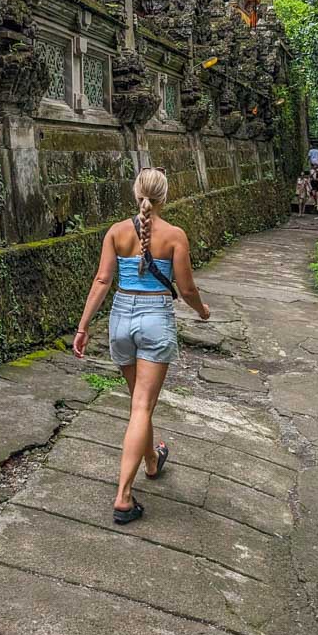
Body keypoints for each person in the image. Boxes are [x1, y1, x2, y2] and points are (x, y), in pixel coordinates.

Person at [72, 167, 211, 525]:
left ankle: (152, 460)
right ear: (165, 197)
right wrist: (203, 311)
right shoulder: (175, 235)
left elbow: (103, 280)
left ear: (136, 194)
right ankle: (123, 496)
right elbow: (188, 289)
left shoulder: (116, 232)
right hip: (154, 320)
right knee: (141, 408)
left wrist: (83, 327)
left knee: (139, 405)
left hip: (120, 318)